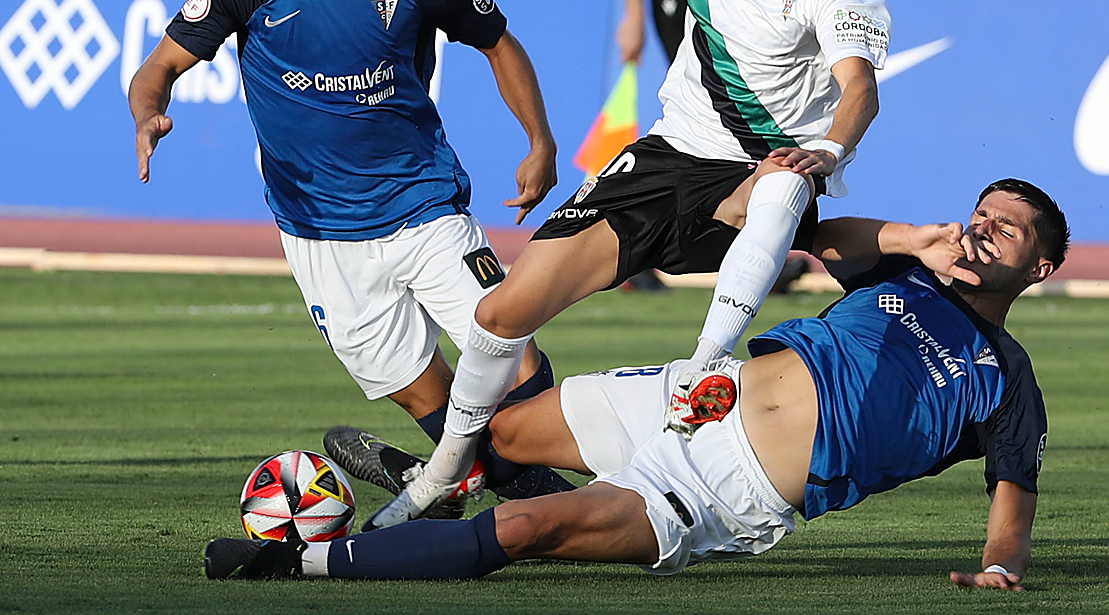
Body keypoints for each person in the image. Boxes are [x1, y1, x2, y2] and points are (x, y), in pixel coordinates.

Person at [357, 0, 889, 529]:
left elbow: (860, 90)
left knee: (788, 180)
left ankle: (704, 365)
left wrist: (827, 152)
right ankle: (446, 472)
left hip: (755, 177)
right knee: (498, 317)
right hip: (667, 157)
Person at [206, 178, 1065, 590]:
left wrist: (998, 569)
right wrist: (914, 239)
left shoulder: (1010, 381)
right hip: (690, 394)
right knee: (500, 432)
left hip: (723, 488)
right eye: (983, 215)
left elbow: (1012, 504)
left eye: (1011, 230)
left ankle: (298, 563)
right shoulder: (905, 276)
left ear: (1043, 265)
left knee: (527, 526)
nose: (987, 231)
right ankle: (444, 482)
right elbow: (818, 235)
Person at [128, 0, 569, 508]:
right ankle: (474, 479)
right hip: (321, 236)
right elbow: (158, 68)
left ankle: (535, 487)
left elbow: (499, 42)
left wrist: (539, 141)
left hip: (424, 207)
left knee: (516, 374)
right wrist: (150, 113)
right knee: (437, 404)